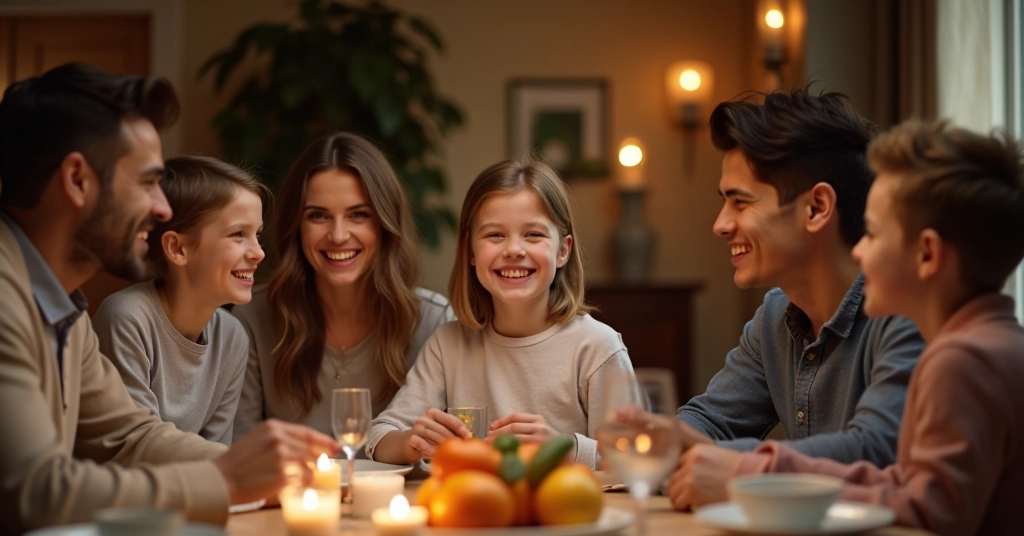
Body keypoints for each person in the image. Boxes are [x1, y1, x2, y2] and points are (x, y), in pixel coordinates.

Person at [0, 63, 335, 536]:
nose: (161, 208)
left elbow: (129, 436)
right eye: (147, 182)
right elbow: (38, 495)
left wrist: (256, 469)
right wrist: (225, 480)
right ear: (77, 180)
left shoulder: (63, 306)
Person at [674, 120, 1024, 536]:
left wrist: (747, 474)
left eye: (872, 234)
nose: (858, 251)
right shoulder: (982, 344)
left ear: (927, 254)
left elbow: (925, 512)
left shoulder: (961, 358)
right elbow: (901, 484)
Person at [669, 89, 923, 476]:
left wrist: (740, 465)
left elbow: (876, 448)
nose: (720, 225)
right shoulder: (775, 317)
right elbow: (710, 422)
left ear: (817, 208)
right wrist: (661, 438)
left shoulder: (905, 313)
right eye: (724, 201)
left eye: (740, 202)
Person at [367, 159, 642, 469]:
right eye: (495, 235)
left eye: (533, 234)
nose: (513, 250)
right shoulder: (448, 344)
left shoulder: (597, 347)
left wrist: (564, 449)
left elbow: (636, 460)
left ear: (563, 250)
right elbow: (379, 436)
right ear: (470, 251)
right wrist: (410, 441)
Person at [232, 132, 454, 439]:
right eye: (318, 215)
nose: (338, 235)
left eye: (358, 215)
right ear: (296, 226)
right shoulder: (252, 319)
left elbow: (451, 446)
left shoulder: (434, 321)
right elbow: (240, 448)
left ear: (385, 224)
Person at [93, 156, 268, 445]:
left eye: (257, 235)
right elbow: (135, 444)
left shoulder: (232, 337)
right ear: (177, 248)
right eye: (238, 234)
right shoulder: (126, 318)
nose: (259, 253)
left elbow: (216, 453)